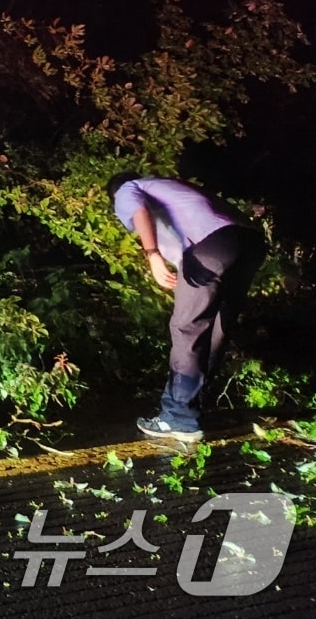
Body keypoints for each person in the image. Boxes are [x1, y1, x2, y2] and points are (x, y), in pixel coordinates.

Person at [107, 172, 267, 443]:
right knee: (216, 326)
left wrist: (152, 255)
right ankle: (193, 407)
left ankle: (178, 417)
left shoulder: (127, 189)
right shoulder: (175, 188)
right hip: (249, 243)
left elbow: (138, 210)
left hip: (212, 244)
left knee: (187, 327)